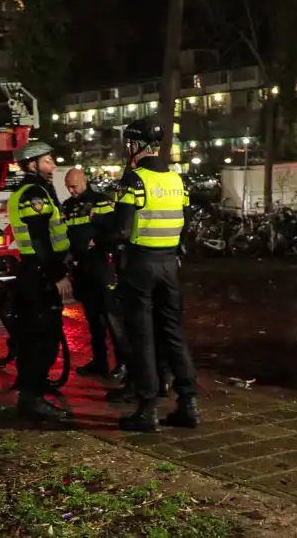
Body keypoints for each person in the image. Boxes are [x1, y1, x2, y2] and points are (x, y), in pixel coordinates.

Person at [113, 118, 200, 431]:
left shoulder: (134, 180)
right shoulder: (178, 181)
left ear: (136, 145)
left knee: (143, 336)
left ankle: (147, 409)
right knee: (174, 333)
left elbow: (121, 229)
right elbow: (185, 225)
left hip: (141, 264)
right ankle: (188, 403)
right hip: (169, 265)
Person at [8, 141, 74, 422]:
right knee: (43, 338)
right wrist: (57, 274)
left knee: (34, 334)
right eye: (48, 161)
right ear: (32, 164)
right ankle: (32, 400)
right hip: (39, 274)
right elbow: (39, 239)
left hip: (36, 272)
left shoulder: (38, 190)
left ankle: (30, 389)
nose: (53, 165)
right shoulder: (33, 194)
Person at [61, 168, 127, 380]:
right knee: (93, 319)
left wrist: (97, 237)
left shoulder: (101, 201)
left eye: (75, 186)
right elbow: (67, 233)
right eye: (68, 187)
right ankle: (100, 362)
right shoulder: (69, 206)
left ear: (84, 181)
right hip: (82, 268)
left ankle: (123, 363)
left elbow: (116, 231)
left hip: (101, 265)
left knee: (112, 317)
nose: (72, 191)